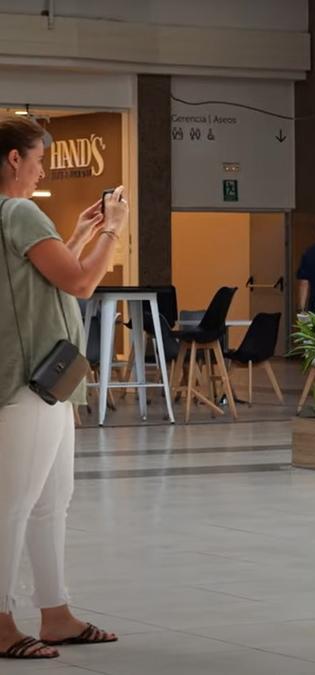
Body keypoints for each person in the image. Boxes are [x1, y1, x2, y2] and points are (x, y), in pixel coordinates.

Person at [0, 115, 123, 660]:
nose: (41, 168)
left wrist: (76, 234)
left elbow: (48, 274)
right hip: (29, 382)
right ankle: (2, 621)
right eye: (40, 158)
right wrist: (114, 229)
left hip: (44, 384)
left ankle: (56, 613)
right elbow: (79, 281)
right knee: (16, 504)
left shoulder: (15, 216)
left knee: (51, 500)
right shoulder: (19, 210)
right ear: (13, 160)